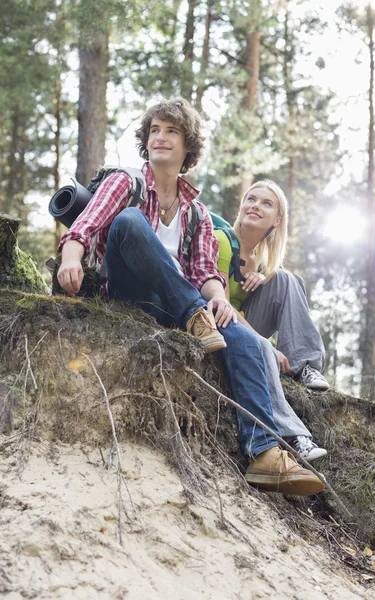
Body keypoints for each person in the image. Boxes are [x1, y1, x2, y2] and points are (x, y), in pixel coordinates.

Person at [57, 97, 325, 496]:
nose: (160, 138)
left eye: (171, 131)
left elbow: (205, 272)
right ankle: (195, 315)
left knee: (248, 340)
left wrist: (218, 298)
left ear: (188, 147)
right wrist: (71, 258)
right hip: (133, 292)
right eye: (154, 131)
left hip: (181, 308)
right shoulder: (126, 181)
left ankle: (264, 452)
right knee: (129, 222)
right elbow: (86, 225)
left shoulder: (197, 213)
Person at [214, 179, 329, 460]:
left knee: (288, 278)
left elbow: (275, 288)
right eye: (251, 199)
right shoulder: (220, 240)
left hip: (242, 319)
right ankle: (293, 437)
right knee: (263, 347)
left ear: (277, 220)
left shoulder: (261, 260)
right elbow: (223, 305)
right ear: (241, 206)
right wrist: (268, 344)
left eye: (266, 203)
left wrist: (265, 275)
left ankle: (305, 367)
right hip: (217, 318)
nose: (255, 205)